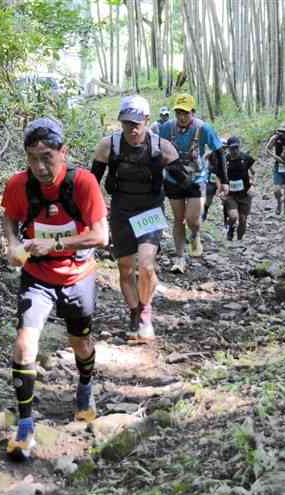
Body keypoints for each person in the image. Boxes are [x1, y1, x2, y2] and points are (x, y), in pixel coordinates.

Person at [1, 118, 109, 461]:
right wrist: (13, 244)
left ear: (63, 153)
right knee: (24, 344)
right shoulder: (20, 184)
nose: (40, 166)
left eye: (47, 157)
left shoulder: (83, 183)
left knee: (80, 343)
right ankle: (25, 424)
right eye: (33, 158)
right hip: (37, 276)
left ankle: (85, 387)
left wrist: (57, 244)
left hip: (78, 275)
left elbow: (100, 236)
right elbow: (9, 216)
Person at [91, 96, 183, 342]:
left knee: (146, 264)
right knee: (125, 268)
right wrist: (94, 212)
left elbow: (182, 180)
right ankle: (134, 312)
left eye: (137, 123)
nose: (132, 129)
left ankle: (145, 312)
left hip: (150, 210)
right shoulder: (108, 146)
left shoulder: (161, 147)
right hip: (121, 210)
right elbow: (91, 183)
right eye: (126, 123)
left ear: (147, 121)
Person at [160, 93, 228, 273]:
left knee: (192, 219)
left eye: (186, 113)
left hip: (197, 179)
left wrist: (225, 181)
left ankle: (196, 233)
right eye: (179, 113)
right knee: (178, 219)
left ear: (193, 112)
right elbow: (156, 149)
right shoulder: (167, 128)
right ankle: (180, 258)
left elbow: (219, 152)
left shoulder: (203, 128)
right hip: (173, 179)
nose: (182, 117)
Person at [222, 136, 256, 241]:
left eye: (237, 147)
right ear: (228, 148)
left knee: (243, 219)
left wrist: (253, 185)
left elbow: (254, 172)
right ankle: (230, 228)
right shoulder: (224, 160)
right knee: (233, 217)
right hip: (230, 194)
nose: (235, 150)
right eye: (232, 148)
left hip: (245, 193)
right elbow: (219, 176)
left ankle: (239, 241)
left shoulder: (246, 158)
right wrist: (221, 190)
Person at [265, 122, 285, 216]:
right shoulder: (275, 138)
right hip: (278, 166)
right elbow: (267, 149)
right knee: (277, 190)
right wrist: (276, 157)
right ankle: (279, 203)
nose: (284, 134)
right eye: (282, 131)